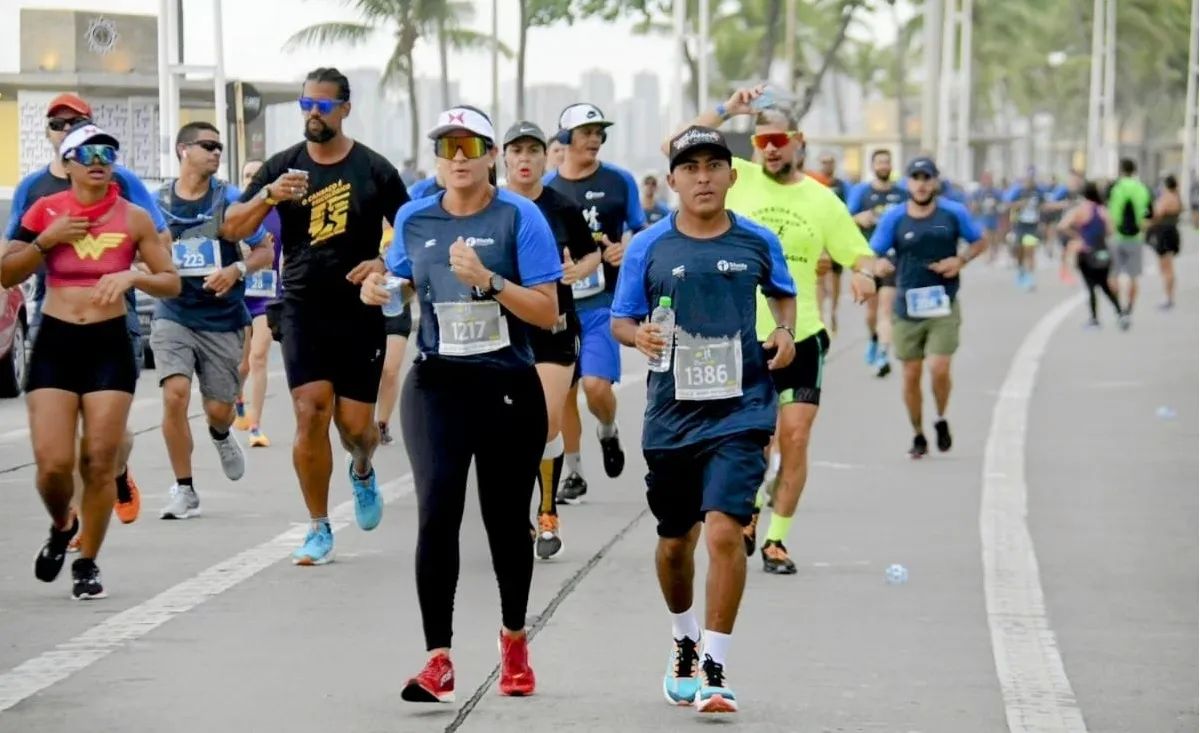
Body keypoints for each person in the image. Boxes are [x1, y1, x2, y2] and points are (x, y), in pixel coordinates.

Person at [360, 105, 561, 703]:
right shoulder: (415, 218)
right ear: (437, 159)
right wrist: (380, 287)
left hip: (506, 384)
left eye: (471, 146)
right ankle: (437, 659)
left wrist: (490, 281)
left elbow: (548, 313)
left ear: (491, 154)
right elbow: (397, 277)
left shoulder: (519, 217)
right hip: (437, 383)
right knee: (438, 509)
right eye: (447, 147)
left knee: (504, 522)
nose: (458, 158)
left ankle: (514, 640)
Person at [613, 125, 797, 713]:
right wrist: (637, 335)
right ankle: (684, 637)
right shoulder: (647, 246)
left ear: (731, 176)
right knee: (674, 546)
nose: (702, 177)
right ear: (672, 181)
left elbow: (784, 293)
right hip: (671, 417)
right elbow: (620, 319)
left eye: (713, 166)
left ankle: (715, 667)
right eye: (690, 168)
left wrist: (785, 331)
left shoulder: (757, 241)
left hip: (742, 409)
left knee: (723, 530)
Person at [675, 89, 875, 574]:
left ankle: (776, 541)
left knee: (796, 438)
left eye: (778, 139)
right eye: (762, 139)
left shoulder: (822, 200)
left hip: (802, 335)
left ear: (797, 143)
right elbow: (678, 147)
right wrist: (726, 110)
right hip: (743, 339)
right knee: (756, 444)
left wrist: (867, 272)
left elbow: (858, 252)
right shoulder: (736, 180)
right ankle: (747, 511)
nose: (769, 148)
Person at [224, 67, 410, 565]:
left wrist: (386, 262)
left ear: (345, 109)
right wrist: (268, 195)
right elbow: (230, 225)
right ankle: (319, 526)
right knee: (310, 412)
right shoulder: (283, 169)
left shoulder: (374, 169)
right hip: (304, 307)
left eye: (323, 106)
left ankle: (364, 468)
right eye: (306, 104)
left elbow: (412, 232)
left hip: (360, 309)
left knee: (355, 428)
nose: (312, 113)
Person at [1, 124, 180, 598]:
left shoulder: (135, 217)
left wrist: (131, 278)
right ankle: (63, 524)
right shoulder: (45, 210)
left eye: (109, 151)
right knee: (53, 467)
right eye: (88, 152)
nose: (100, 159)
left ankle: (87, 562)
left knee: (99, 460)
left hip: (108, 343)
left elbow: (171, 281)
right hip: (56, 340)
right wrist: (46, 240)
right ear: (69, 161)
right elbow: (5, 272)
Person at [152, 122, 273, 519]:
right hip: (174, 313)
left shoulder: (230, 198)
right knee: (174, 393)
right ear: (183, 149)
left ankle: (221, 434)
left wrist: (236, 269)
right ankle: (184, 489)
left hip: (221, 317)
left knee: (219, 410)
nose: (217, 152)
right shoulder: (159, 202)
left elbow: (264, 252)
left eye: (220, 146)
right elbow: (140, 250)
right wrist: (152, 265)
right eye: (208, 145)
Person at [503, 121, 600, 560]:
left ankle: (547, 514)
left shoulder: (561, 207)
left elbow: (589, 250)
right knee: (506, 431)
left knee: (544, 421)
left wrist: (581, 269)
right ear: (503, 158)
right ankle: (515, 515)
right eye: (516, 151)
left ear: (548, 157)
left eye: (533, 151)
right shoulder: (491, 208)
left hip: (554, 330)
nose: (525, 159)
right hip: (502, 333)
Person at [545, 102, 646, 502]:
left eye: (599, 132)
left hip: (605, 299)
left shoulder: (620, 181)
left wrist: (627, 248)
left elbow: (643, 230)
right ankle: (574, 471)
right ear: (565, 138)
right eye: (586, 132)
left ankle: (607, 429)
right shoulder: (548, 189)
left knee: (596, 386)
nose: (595, 139)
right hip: (561, 304)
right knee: (564, 393)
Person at [870, 157, 985, 459]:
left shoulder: (953, 213)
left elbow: (978, 241)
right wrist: (878, 264)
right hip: (908, 304)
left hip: (943, 303)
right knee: (910, 374)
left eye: (927, 177)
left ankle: (941, 417)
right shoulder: (894, 217)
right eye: (915, 177)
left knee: (939, 367)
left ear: (935, 181)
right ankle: (918, 433)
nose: (921, 183)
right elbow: (874, 253)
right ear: (908, 182)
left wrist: (960, 260)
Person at [234, 159, 283, 448]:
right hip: (240, 293)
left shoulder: (279, 214)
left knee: (259, 357)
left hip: (267, 294)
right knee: (241, 364)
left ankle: (255, 425)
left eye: (256, 175)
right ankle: (238, 399)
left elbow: (286, 253)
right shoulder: (236, 210)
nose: (251, 179)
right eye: (247, 175)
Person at [847, 149, 907, 377]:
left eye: (887, 162)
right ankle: (873, 339)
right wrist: (857, 218)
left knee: (885, 310)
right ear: (873, 166)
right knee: (871, 314)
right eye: (879, 162)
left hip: (892, 260)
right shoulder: (861, 192)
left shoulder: (902, 193)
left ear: (891, 166)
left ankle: (883, 354)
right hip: (867, 259)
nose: (883, 165)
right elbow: (843, 220)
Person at [1058, 181, 1122, 327]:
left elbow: (1062, 226)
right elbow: (1111, 231)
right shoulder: (1102, 210)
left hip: (1086, 252)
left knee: (1091, 286)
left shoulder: (1080, 210)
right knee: (1105, 285)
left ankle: (1094, 319)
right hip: (1102, 251)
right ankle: (1120, 313)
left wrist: (1078, 235)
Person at [374, 224, 414, 446]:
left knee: (390, 369)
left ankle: (382, 423)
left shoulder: (403, 224)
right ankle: (363, 419)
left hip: (398, 306)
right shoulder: (364, 222)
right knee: (371, 367)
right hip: (370, 304)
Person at [1107, 159, 1153, 324]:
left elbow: (1109, 213)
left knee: (1113, 275)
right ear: (1134, 171)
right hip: (1136, 238)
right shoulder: (1142, 189)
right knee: (1133, 277)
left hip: (1117, 237)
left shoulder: (1115, 188)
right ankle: (1129, 309)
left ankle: (1119, 309)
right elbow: (1148, 217)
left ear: (1120, 170)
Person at [810, 152, 849, 335]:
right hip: (818, 234)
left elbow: (848, 208)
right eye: (823, 162)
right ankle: (820, 314)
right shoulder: (813, 183)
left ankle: (833, 310)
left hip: (836, 235)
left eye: (830, 162)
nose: (827, 165)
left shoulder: (841, 185)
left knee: (835, 276)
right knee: (819, 275)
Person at [1003, 169, 1046, 291]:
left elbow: (1043, 205)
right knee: (1019, 250)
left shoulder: (1038, 192)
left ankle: (1030, 277)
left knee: (1030, 250)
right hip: (1019, 225)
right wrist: (1020, 204)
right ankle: (1021, 270)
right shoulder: (1018, 191)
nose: (1030, 181)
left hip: (1032, 226)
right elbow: (1008, 204)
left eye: (1032, 179)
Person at [1148, 174, 1182, 310]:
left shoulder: (1167, 198)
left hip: (1165, 233)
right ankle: (1169, 296)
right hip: (1172, 232)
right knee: (1168, 266)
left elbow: (1156, 214)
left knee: (1166, 267)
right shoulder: (1177, 197)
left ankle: (1168, 297)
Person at [969, 171, 1003, 263]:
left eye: (989, 178)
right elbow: (973, 204)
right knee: (986, 235)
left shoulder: (996, 192)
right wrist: (975, 207)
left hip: (994, 217)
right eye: (985, 179)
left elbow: (1002, 203)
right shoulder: (978, 192)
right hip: (983, 217)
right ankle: (988, 255)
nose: (987, 181)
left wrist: (996, 205)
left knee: (994, 237)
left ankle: (994, 252)